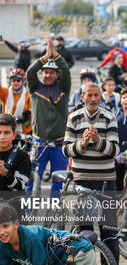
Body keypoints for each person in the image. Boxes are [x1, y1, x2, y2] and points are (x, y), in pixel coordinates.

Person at [62, 82, 120, 263]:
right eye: (89, 95)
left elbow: (115, 151)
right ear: (82, 97)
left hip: (106, 182)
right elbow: (66, 150)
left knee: (109, 230)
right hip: (82, 182)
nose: (93, 99)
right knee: (84, 231)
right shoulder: (74, 118)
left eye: (96, 95)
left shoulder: (109, 117)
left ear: (100, 97)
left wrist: (97, 140)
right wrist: (83, 143)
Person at [25, 37, 70, 197]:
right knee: (31, 180)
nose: (48, 75)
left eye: (51, 72)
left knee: (58, 183)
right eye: (45, 72)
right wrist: (45, 56)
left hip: (59, 144)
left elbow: (65, 70)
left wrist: (55, 54)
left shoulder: (63, 89)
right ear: (42, 73)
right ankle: (28, 213)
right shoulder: (35, 89)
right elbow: (30, 72)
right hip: (39, 143)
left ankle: (55, 216)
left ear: (56, 75)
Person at [0, 202, 96, 265]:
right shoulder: (2, 243)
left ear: (16, 224)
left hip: (78, 252)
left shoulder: (31, 239)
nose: (1, 232)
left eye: (5, 226)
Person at [0, 114, 31, 208]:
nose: (2, 137)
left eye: (7, 133)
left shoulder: (22, 156)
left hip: (13, 208)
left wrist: (6, 173)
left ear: (14, 135)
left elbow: (20, 187)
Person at [0, 69, 31, 134]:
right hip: (8, 128)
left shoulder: (28, 94)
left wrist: (28, 112)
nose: (15, 82)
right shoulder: (6, 92)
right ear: (10, 81)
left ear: (23, 81)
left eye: (18, 80)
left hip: (24, 129)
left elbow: (32, 108)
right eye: (13, 80)